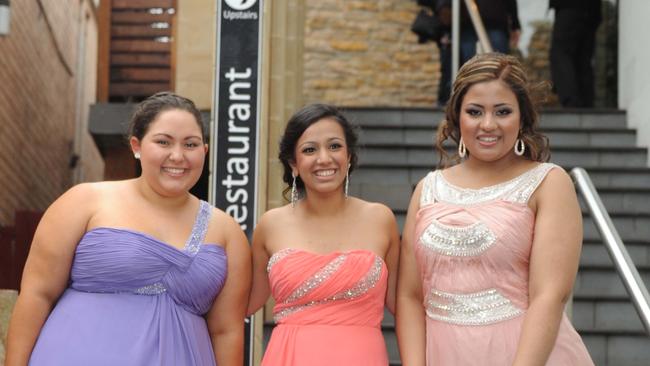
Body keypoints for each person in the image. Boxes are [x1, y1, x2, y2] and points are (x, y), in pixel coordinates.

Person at [4, 92, 251, 366]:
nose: (178, 156)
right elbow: (38, 293)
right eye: (163, 142)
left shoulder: (227, 231)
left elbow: (226, 331)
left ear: (204, 151)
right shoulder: (83, 201)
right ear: (137, 145)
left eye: (190, 144)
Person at [396, 53, 594, 365]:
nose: (488, 125)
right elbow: (409, 296)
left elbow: (549, 295)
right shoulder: (428, 189)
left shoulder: (548, 184)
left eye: (502, 111)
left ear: (522, 117)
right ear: (457, 116)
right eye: (475, 112)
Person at [247, 104, 400, 365]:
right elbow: (244, 303)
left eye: (334, 146)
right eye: (309, 150)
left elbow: (403, 304)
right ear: (293, 164)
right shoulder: (271, 225)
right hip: (289, 356)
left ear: (349, 156)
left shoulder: (380, 219)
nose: (324, 159)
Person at [550, 0, 602, 108]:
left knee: (561, 54)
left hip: (569, 7)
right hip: (591, 11)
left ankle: (571, 100)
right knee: (583, 59)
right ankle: (586, 102)